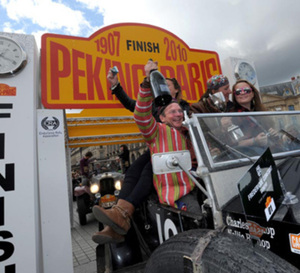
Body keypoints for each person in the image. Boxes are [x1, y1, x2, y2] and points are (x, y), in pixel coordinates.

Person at [91, 62, 197, 244]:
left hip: (176, 157)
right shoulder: (155, 111)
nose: (160, 87)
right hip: (158, 147)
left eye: (165, 84)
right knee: (134, 170)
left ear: (176, 91)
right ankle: (119, 216)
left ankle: (122, 215)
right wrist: (117, 86)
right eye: (171, 112)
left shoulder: (187, 111)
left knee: (149, 169)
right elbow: (137, 108)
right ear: (162, 117)